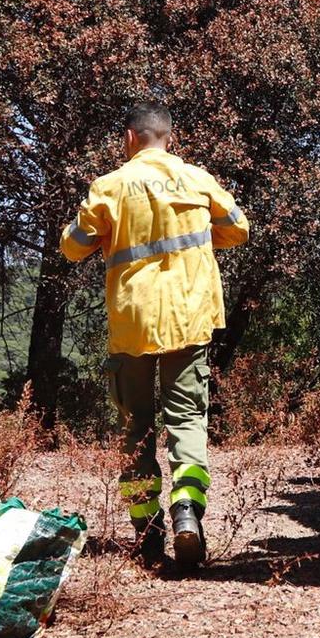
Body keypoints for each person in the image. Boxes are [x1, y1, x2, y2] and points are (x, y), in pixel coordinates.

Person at [62, 101, 249, 570]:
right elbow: (237, 229)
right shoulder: (198, 180)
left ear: (129, 138)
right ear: (170, 137)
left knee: (135, 428)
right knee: (186, 420)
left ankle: (147, 531)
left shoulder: (109, 186)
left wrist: (99, 231)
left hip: (133, 324)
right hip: (189, 318)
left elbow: (72, 248)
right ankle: (187, 510)